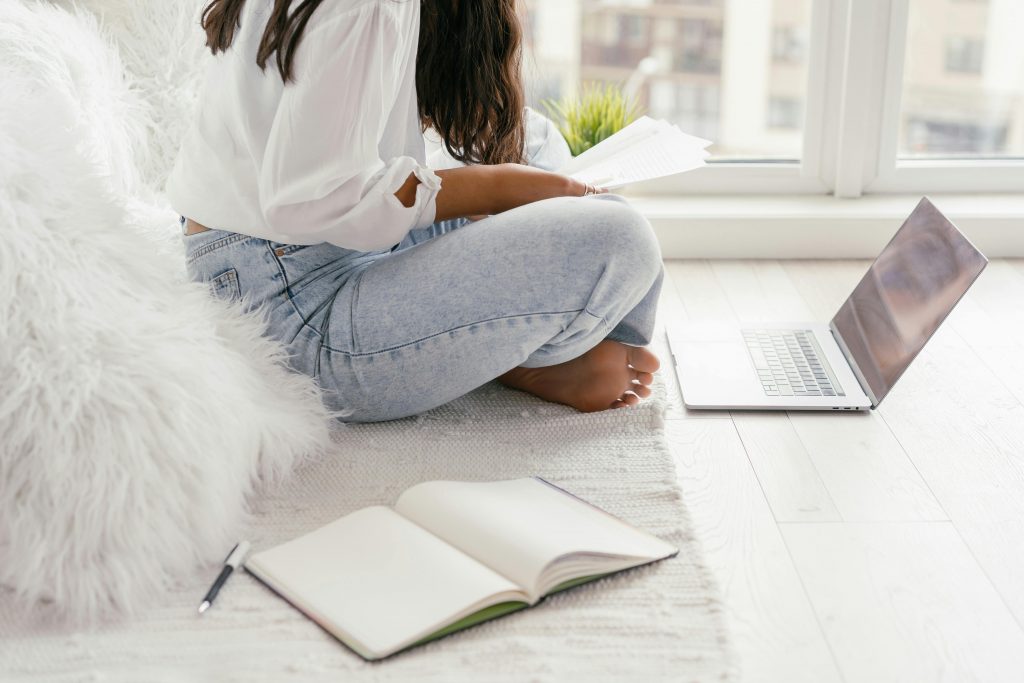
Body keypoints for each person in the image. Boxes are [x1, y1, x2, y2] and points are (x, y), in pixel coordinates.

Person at [167, 0, 664, 423]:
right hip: (292, 311)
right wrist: (492, 190)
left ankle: (504, 342)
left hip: (289, 251)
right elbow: (309, 200)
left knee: (535, 141)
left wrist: (503, 184)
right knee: (618, 236)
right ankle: (523, 358)